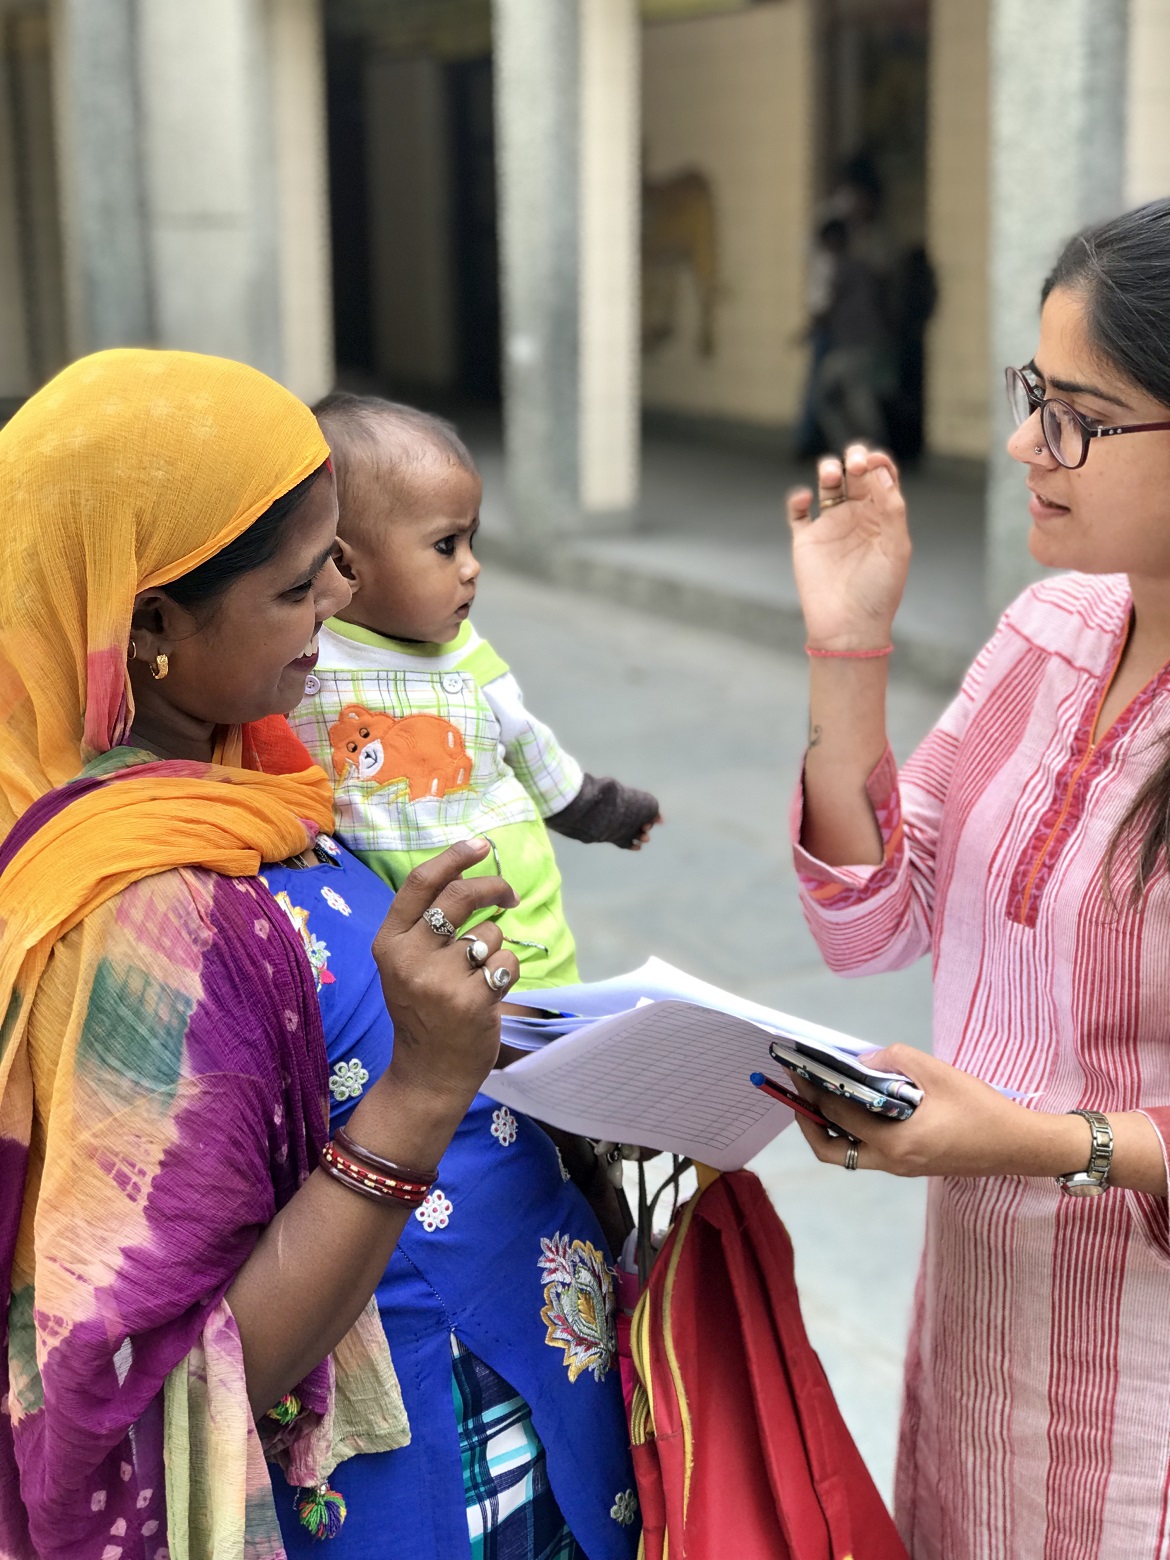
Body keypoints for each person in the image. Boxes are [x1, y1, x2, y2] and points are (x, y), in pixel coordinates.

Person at [0, 348, 526, 1558]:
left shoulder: (239, 776)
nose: (347, 590)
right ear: (148, 627)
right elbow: (160, 1378)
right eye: (300, 584)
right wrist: (425, 1091)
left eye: (341, 549)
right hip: (383, 1506)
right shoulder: (142, 912)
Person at [785, 199, 1170, 1557]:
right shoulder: (1053, 623)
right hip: (976, 1347)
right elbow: (871, 913)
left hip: (1141, 1409)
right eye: (1030, 394)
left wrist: (1014, 1138)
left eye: (1074, 412)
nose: (1023, 444)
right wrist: (849, 649)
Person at [260, 812, 639, 1559]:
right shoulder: (133, 914)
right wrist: (425, 1087)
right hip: (426, 1433)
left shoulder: (288, 788)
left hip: (545, 1380)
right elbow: (200, 1366)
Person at [289, 392, 661, 990]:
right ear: (346, 566)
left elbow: (532, 749)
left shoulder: (467, 658)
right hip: (391, 929)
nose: (471, 567)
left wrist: (602, 809)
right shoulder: (303, 655)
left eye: (472, 542)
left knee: (541, 1037)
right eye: (446, 546)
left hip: (513, 912)